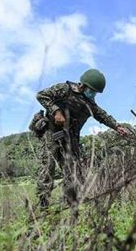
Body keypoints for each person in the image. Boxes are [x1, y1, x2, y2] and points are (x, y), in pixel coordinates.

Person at [34, 69, 128, 208]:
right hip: (51, 132)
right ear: (83, 85)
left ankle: (70, 202)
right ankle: (43, 204)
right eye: (92, 90)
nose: (93, 94)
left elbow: (102, 115)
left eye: (95, 92)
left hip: (69, 138)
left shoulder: (89, 103)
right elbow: (41, 95)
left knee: (72, 170)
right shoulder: (65, 89)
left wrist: (116, 126)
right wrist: (56, 111)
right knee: (48, 167)